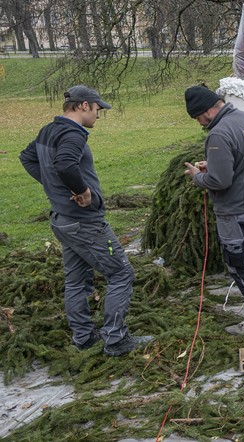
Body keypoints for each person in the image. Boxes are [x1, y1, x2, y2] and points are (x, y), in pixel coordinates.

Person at [20, 86, 152, 357]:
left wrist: (55, 188)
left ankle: (83, 338)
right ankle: (116, 340)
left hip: (63, 221)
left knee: (77, 279)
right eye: (97, 108)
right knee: (121, 273)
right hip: (85, 223)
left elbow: (28, 158)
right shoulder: (72, 134)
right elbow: (65, 165)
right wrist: (80, 191)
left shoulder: (49, 130)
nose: (99, 114)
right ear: (82, 106)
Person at [183, 85, 244, 336]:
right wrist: (214, 165)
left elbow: (220, 181)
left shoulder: (219, 134)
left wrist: (197, 176)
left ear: (207, 111)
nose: (199, 123)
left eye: (198, 118)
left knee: (243, 267)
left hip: (236, 213)